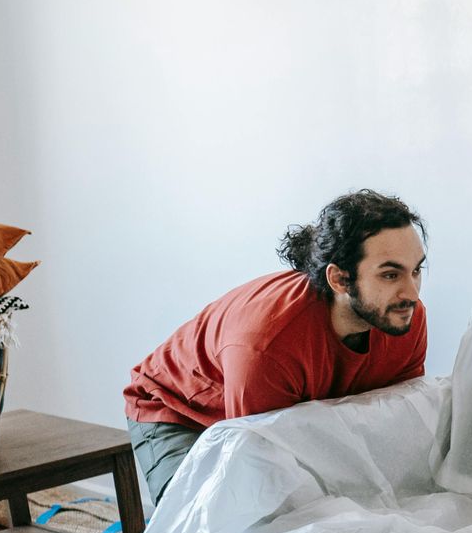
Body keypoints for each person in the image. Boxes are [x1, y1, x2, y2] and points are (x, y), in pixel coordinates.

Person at [122, 189, 429, 505]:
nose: (412, 293)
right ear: (339, 280)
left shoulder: (405, 319)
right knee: (205, 521)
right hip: (177, 410)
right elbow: (258, 462)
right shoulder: (267, 344)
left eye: (416, 270)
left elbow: (394, 427)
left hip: (264, 407)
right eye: (391, 275)